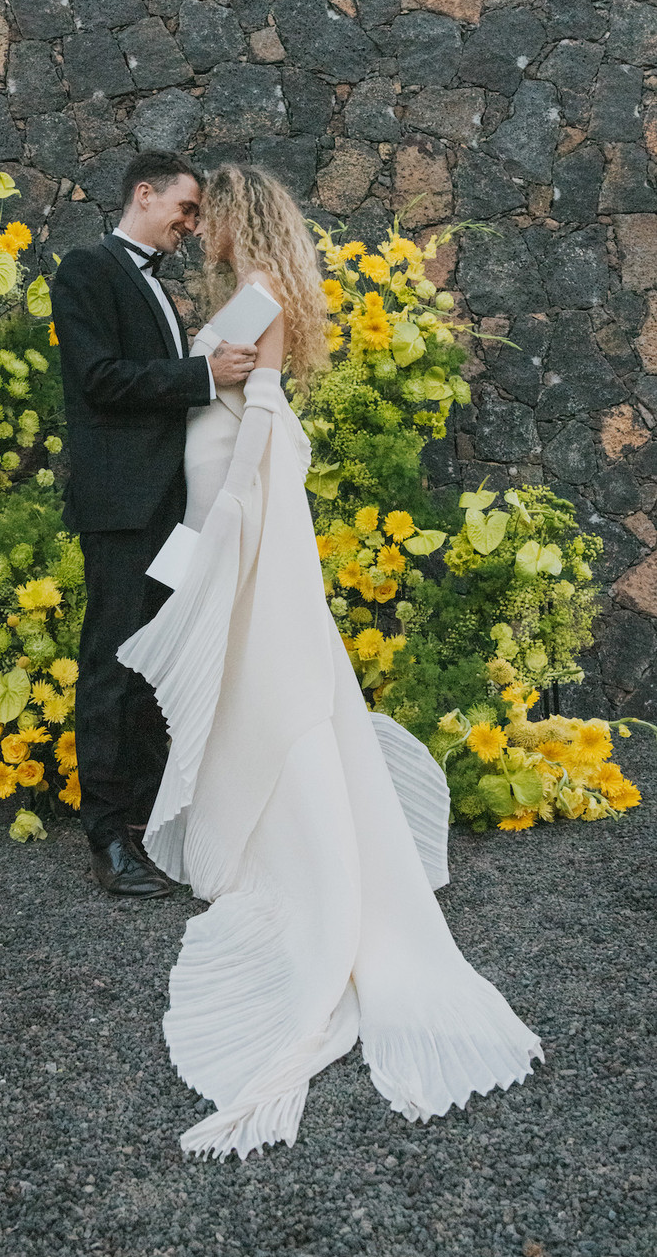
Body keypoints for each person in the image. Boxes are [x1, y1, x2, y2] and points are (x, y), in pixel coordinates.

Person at [118, 164, 542, 1159]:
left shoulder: (254, 292)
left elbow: (260, 411)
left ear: (232, 216)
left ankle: (288, 846)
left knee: (267, 662)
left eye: (202, 212)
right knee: (250, 667)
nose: (195, 226)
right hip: (224, 484)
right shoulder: (251, 291)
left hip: (242, 495)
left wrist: (227, 519)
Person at [51, 150, 257, 898]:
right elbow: (100, 380)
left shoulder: (155, 287)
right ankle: (105, 839)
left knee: (151, 663)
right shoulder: (85, 270)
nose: (191, 224)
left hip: (167, 509)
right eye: (186, 208)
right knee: (110, 665)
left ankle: (140, 820)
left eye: (199, 214)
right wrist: (204, 377)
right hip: (121, 511)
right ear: (146, 193)